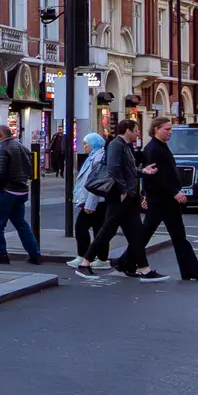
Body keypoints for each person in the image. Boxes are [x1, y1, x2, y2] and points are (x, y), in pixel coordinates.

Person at [73, 119, 158, 279]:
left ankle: (145, 269)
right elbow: (113, 169)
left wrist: (142, 171)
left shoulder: (126, 146)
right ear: (128, 131)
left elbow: (127, 170)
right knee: (107, 231)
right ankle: (85, 263)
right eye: (136, 130)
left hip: (128, 197)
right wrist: (123, 190)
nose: (138, 133)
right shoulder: (116, 145)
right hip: (119, 196)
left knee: (135, 234)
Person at [135, 117, 198, 282]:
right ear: (156, 129)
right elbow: (156, 177)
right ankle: (126, 262)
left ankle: (191, 271)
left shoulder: (160, 146)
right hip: (162, 199)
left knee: (174, 235)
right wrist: (174, 192)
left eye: (170, 129)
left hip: (164, 200)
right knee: (153, 233)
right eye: (167, 129)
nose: (170, 132)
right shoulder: (154, 149)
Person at [0, 124, 43, 264]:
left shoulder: (2, 149)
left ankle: (1, 255)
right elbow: (30, 166)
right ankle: (35, 254)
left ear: (0, 135)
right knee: (21, 223)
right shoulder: (20, 146)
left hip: (5, 192)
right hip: (20, 191)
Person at [71, 132, 108, 256]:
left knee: (81, 228)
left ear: (94, 144)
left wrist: (90, 204)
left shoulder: (98, 158)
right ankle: (101, 258)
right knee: (98, 229)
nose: (84, 147)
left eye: (86, 144)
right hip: (94, 200)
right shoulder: (93, 157)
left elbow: (95, 183)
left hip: (94, 201)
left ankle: (84, 256)